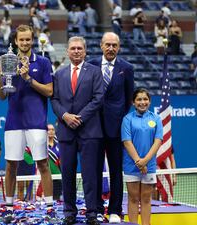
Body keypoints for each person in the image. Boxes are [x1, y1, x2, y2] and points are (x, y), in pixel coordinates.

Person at [0, 24, 56, 224]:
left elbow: (49, 91)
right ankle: (9, 207)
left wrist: (27, 78)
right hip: (14, 121)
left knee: (43, 164)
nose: (25, 42)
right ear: (15, 41)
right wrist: (0, 76)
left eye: (28, 39)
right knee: (11, 165)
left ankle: (50, 207)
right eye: (21, 39)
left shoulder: (42, 62)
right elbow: (1, 96)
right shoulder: (7, 61)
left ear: (32, 40)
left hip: (36, 121)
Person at [51, 36, 104, 225]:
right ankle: (69, 212)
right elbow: (54, 100)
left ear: (85, 51)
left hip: (89, 131)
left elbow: (98, 98)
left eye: (79, 48)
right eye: (73, 48)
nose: (76, 51)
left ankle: (92, 213)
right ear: (67, 51)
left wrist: (79, 117)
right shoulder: (59, 74)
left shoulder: (95, 72)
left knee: (90, 174)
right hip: (66, 132)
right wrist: (65, 116)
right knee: (67, 174)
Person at [88, 32, 134, 223]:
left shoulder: (127, 68)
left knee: (116, 170)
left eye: (114, 45)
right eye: (107, 44)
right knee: (95, 169)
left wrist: (118, 119)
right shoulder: (90, 64)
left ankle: (115, 209)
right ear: (101, 45)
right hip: (94, 127)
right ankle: (98, 208)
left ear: (119, 47)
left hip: (116, 129)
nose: (111, 48)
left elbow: (128, 98)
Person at [121, 88, 163, 225]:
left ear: (149, 101)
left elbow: (158, 141)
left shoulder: (156, 118)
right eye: (139, 99)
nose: (142, 102)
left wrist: (145, 162)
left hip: (149, 166)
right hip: (131, 166)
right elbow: (127, 142)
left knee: (146, 199)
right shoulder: (127, 119)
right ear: (133, 102)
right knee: (133, 199)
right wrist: (139, 162)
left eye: (145, 99)